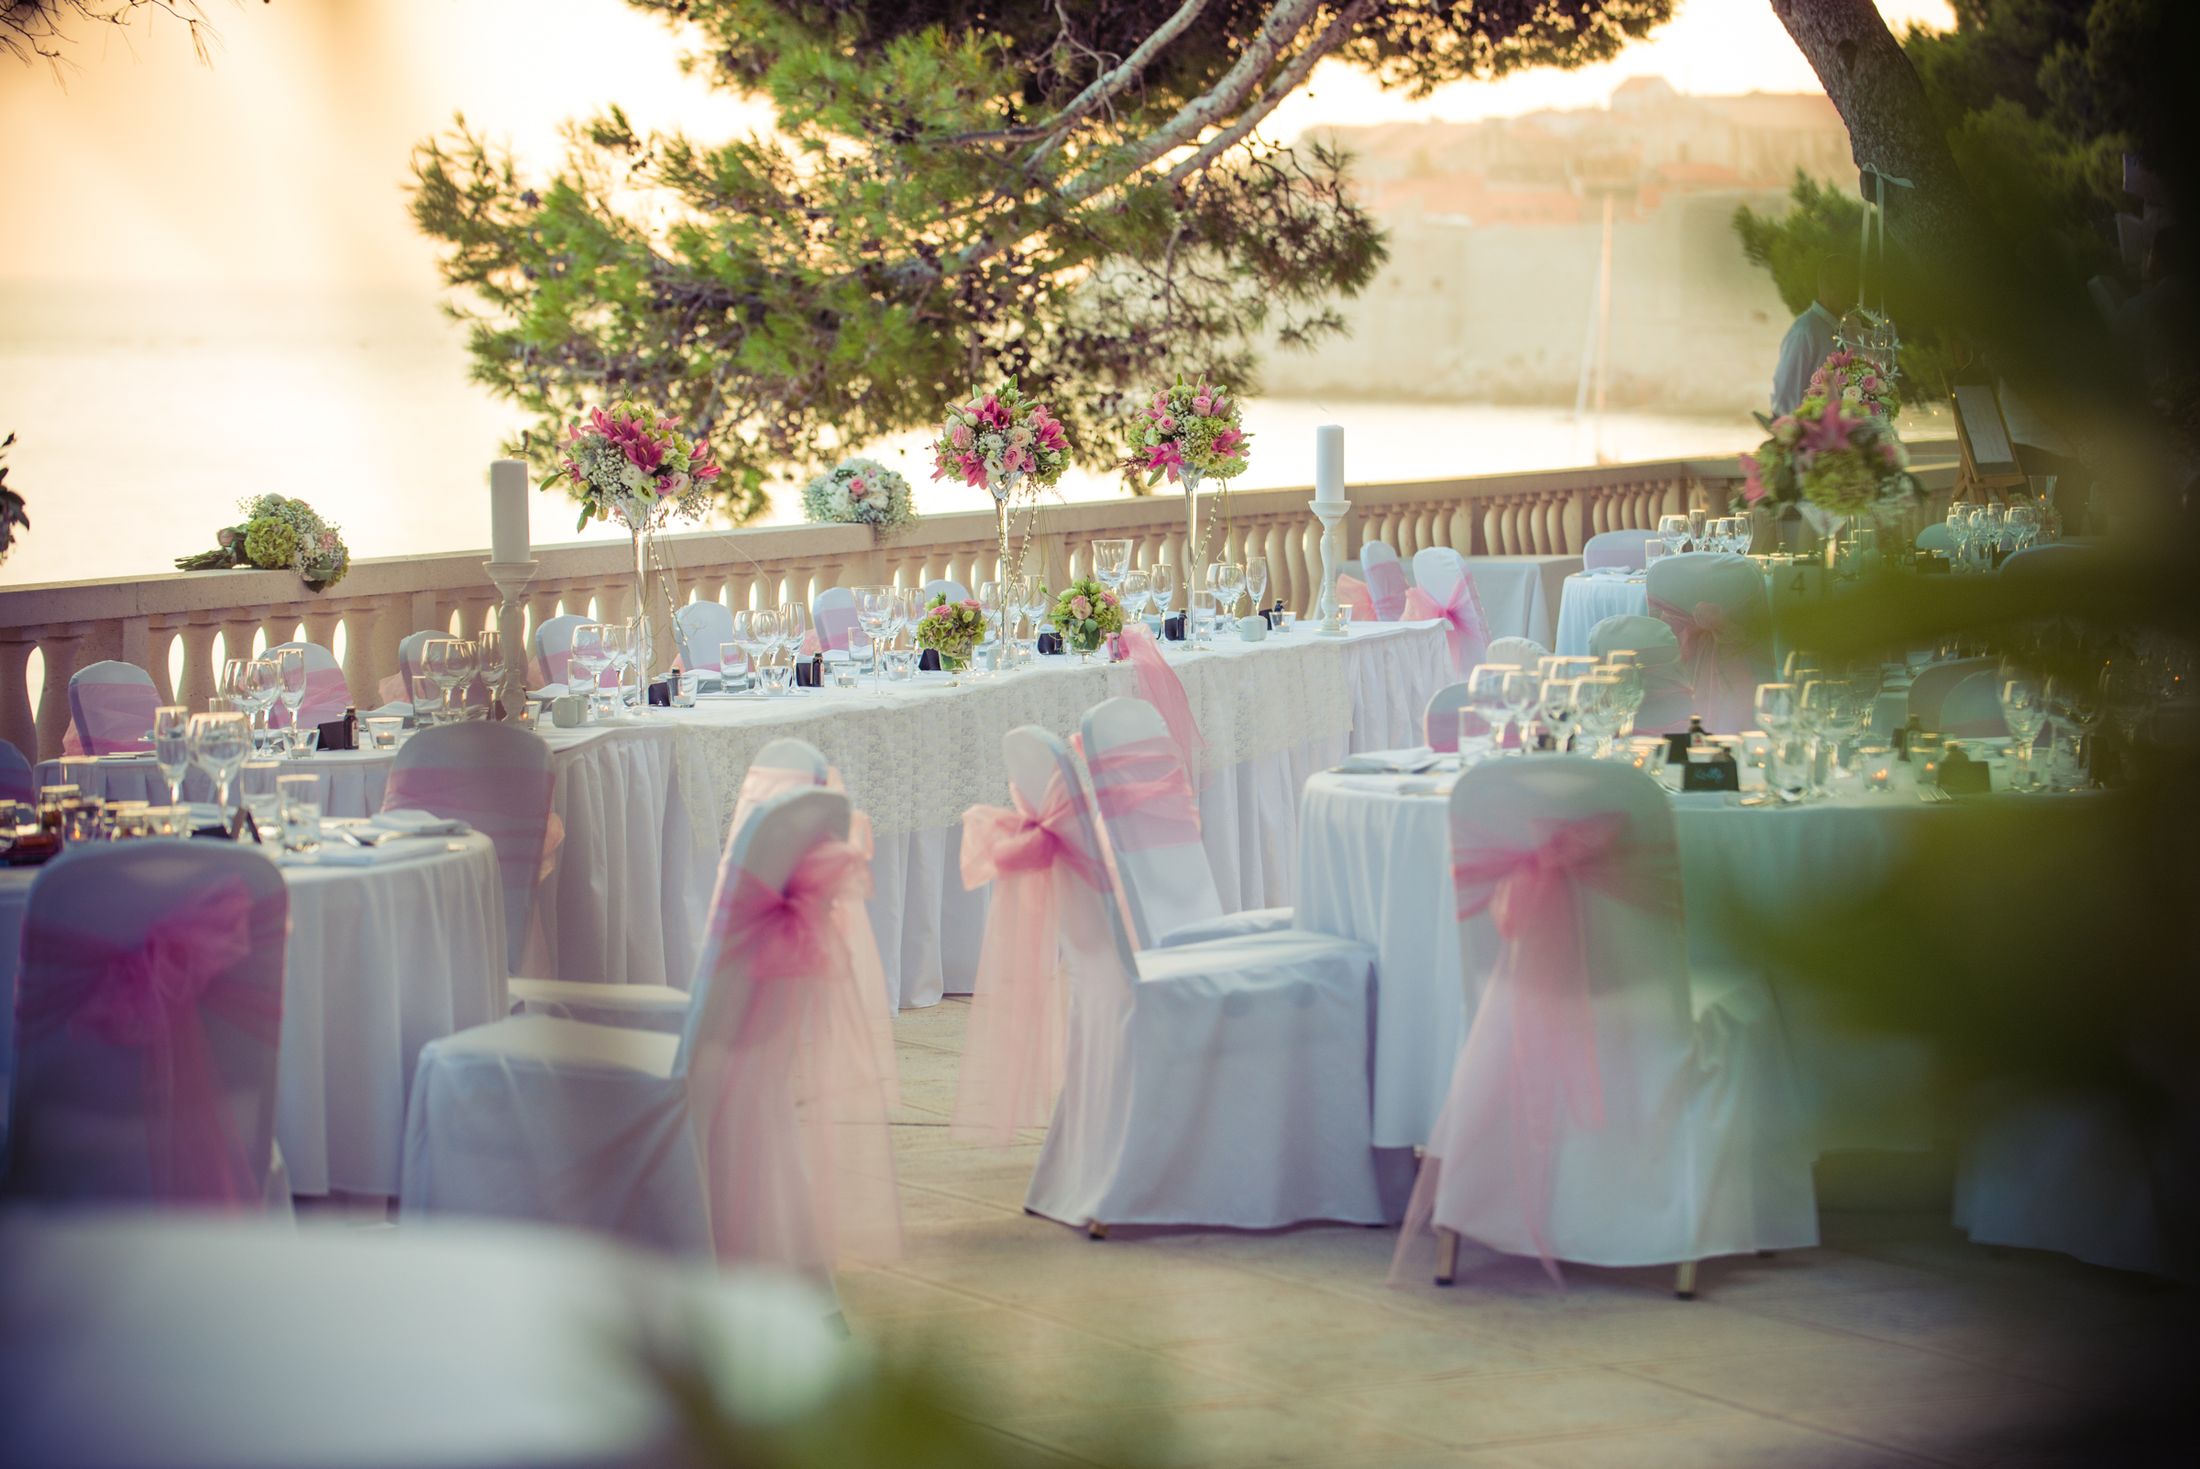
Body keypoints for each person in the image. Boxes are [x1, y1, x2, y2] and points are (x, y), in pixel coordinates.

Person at [1770, 253, 1860, 417]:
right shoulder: (1804, 332)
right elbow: (1786, 401)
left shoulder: (1849, 327)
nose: (1853, 296)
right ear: (1830, 287)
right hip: (1808, 429)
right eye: (1848, 287)